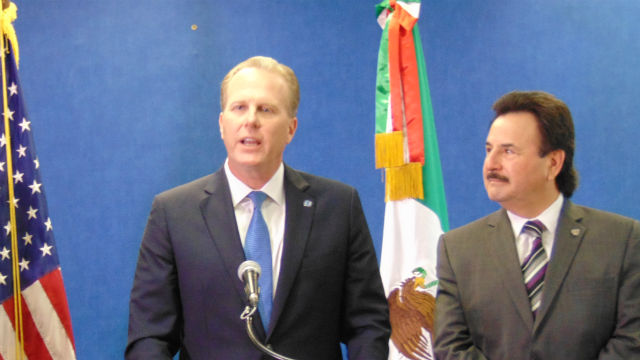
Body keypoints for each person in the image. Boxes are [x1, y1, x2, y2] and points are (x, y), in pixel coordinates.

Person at [125, 56, 390, 359]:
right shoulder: (173, 213)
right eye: (239, 108)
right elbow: (149, 336)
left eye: (266, 109)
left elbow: (368, 323)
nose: (251, 120)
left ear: (291, 129)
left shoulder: (339, 206)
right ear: (223, 125)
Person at [434, 91, 640, 359]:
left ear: (553, 163)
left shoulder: (623, 240)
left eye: (508, 151)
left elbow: (632, 340)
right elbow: (451, 348)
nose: (491, 164)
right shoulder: (457, 249)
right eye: (488, 149)